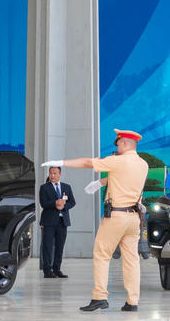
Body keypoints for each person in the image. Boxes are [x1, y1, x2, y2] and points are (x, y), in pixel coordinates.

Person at [42, 128, 149, 312]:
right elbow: (122, 177)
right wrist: (100, 183)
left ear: (124, 143)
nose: (117, 147)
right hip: (134, 218)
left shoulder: (118, 161)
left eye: (118, 143)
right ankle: (132, 301)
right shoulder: (143, 164)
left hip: (116, 216)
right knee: (131, 260)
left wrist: (60, 162)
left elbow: (87, 162)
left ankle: (100, 297)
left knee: (101, 254)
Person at [39, 166, 75, 279]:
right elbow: (43, 203)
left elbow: (72, 202)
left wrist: (63, 206)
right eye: (50, 173)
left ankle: (57, 269)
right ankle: (47, 270)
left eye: (55, 173)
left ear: (60, 174)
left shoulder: (66, 187)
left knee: (60, 246)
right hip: (49, 221)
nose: (52, 176)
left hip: (62, 221)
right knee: (48, 246)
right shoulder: (44, 187)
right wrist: (55, 203)